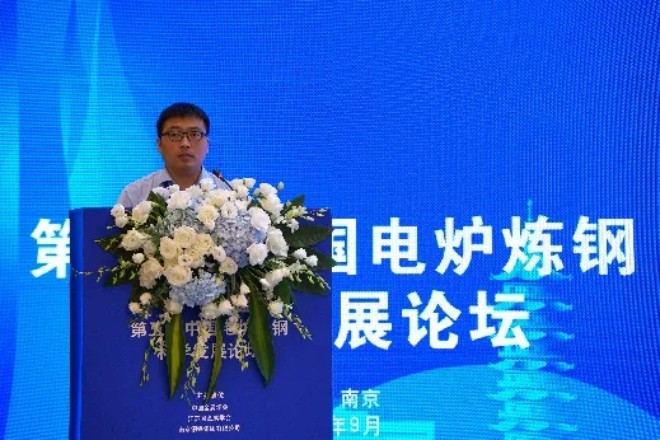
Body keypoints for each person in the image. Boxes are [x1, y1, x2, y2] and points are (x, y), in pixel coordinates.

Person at [117, 102, 229, 208]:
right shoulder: (134, 195)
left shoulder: (229, 194)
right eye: (174, 134)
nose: (185, 144)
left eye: (195, 134)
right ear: (159, 144)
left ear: (207, 145)